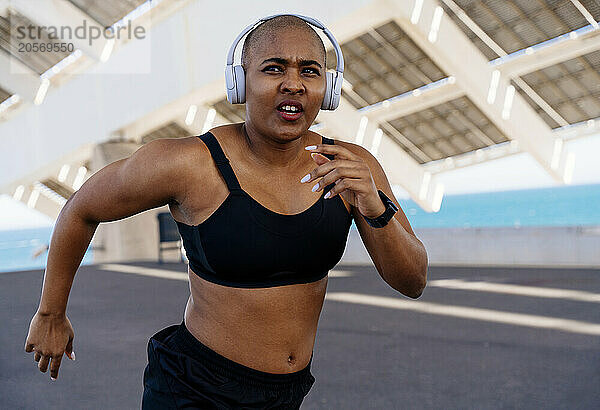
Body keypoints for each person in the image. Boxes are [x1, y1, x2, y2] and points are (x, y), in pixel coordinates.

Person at [24, 13, 428, 409]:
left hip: (287, 394)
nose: (293, 84)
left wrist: (374, 206)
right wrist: (50, 313)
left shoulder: (353, 166)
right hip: (195, 389)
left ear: (329, 87)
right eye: (274, 69)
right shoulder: (188, 163)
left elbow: (412, 281)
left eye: (310, 71)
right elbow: (81, 209)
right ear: (241, 82)